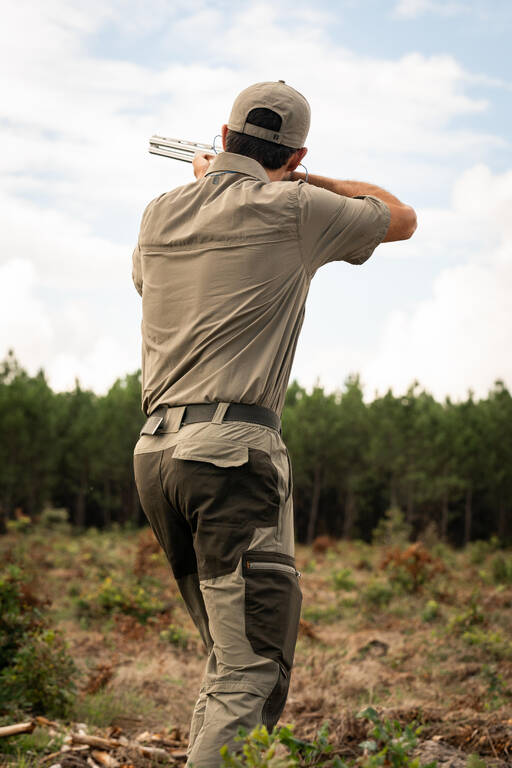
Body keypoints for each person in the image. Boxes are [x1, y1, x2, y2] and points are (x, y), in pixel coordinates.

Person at [132, 80, 416, 767]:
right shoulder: (295, 205)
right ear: (297, 154)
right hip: (231, 456)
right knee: (252, 670)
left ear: (223, 138)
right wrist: (303, 180)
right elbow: (399, 215)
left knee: (230, 658)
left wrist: (215, 182)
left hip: (155, 455)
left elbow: (149, 283)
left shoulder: (159, 213)